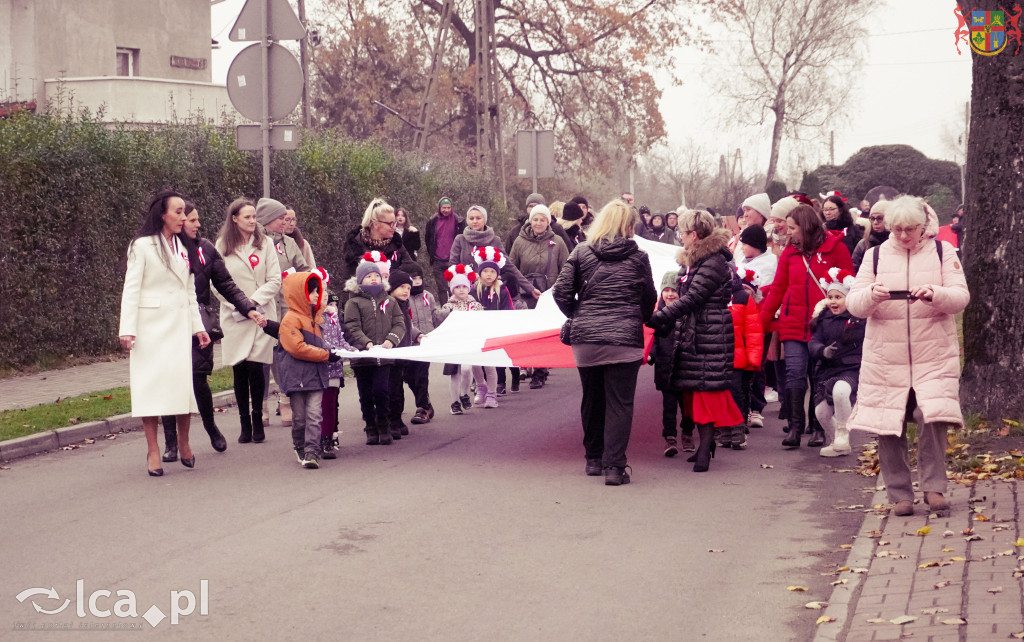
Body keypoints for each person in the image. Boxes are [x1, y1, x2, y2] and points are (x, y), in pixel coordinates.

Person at [846, 196, 969, 517]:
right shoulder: (874, 256)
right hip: (885, 358)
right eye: (897, 229)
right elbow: (854, 304)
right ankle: (899, 494)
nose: (903, 236)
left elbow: (960, 297)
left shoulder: (944, 251)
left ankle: (934, 488)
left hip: (933, 355)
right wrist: (871, 297)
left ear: (923, 225)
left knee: (933, 420)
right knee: (889, 426)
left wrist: (936, 294)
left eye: (910, 229)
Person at [553, 199, 656, 486]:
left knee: (592, 397)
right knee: (620, 403)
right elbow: (648, 297)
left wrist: (580, 315)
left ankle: (593, 459)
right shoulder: (639, 257)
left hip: (587, 341)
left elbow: (560, 292)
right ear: (629, 227)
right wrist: (639, 319)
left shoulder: (581, 251)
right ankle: (615, 467)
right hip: (624, 339)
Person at [118, 190, 211, 477]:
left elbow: (188, 291)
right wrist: (127, 329)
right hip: (149, 329)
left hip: (178, 327)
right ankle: (153, 449)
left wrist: (198, 327)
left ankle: (183, 441)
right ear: (162, 214)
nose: (184, 217)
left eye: (185, 212)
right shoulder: (142, 246)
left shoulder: (184, 247)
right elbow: (131, 288)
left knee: (182, 386)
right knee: (150, 389)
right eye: (179, 212)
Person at [160, 201, 260, 461]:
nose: (197, 224)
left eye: (196, 219)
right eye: (192, 220)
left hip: (199, 323)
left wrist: (248, 307)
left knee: (198, 378)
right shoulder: (164, 249)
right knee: (170, 381)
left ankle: (210, 427)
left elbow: (226, 283)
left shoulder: (206, 249)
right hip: (169, 323)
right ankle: (170, 442)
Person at [647, 209, 743, 474]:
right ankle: (705, 445)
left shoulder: (710, 261)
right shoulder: (699, 260)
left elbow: (691, 298)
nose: (680, 237)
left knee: (705, 392)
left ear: (695, 235)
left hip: (708, 330)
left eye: (683, 233)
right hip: (699, 329)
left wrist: (659, 318)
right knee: (696, 390)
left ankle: (705, 447)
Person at [215, 198, 281, 445]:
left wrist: (252, 303)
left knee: (257, 368)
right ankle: (244, 423)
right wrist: (240, 305)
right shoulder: (222, 245)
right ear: (234, 218)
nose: (253, 221)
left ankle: (257, 420)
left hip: (261, 313)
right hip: (234, 316)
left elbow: (274, 279)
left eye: (254, 217)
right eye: (247, 217)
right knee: (240, 369)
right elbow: (217, 282)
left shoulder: (266, 244)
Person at [276, 272, 341, 469]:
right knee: (300, 417)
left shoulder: (317, 318)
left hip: (316, 375)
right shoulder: (290, 319)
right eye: (312, 291)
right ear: (300, 293)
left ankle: (312, 450)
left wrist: (333, 351)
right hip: (297, 377)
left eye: (317, 291)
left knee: (315, 414)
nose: (316, 295)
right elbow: (297, 348)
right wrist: (325, 355)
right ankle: (299, 445)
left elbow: (323, 343)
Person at [257, 197, 310, 428]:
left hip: (287, 306)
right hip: (263, 305)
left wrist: (296, 281)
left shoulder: (289, 243)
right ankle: (260, 405)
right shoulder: (254, 242)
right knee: (262, 356)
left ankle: (284, 399)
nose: (286, 221)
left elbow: (305, 269)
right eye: (281, 217)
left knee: (284, 353)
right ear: (268, 220)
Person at [343, 253, 406, 445]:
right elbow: (352, 326)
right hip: (363, 359)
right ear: (360, 279)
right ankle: (370, 426)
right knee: (366, 394)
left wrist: (391, 340)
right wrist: (366, 343)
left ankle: (384, 424)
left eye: (376, 275)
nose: (373, 278)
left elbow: (399, 324)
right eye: (369, 276)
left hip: (383, 358)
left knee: (382, 391)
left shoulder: (390, 301)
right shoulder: (353, 302)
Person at [509, 203, 569, 389]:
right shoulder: (519, 241)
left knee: (542, 333)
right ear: (530, 220)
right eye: (535, 219)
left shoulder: (557, 241)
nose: (538, 222)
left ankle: (540, 372)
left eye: (543, 219)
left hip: (548, 295)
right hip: (525, 294)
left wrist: (558, 290)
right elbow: (511, 267)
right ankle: (527, 365)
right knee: (528, 332)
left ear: (548, 221)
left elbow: (567, 268)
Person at [809, 268, 864, 458]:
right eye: (830, 296)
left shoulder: (859, 320)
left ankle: (842, 433)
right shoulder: (823, 319)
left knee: (841, 392)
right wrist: (822, 351)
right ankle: (836, 443)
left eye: (838, 297)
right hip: (827, 369)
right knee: (821, 412)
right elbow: (814, 341)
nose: (833, 301)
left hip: (850, 368)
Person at [644, 271, 694, 456]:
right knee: (669, 406)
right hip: (666, 368)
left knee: (687, 406)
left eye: (674, 290)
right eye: (666, 290)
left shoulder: (688, 315)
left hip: (686, 367)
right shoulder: (658, 316)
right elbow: (654, 340)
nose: (670, 294)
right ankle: (670, 437)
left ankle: (687, 433)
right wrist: (651, 355)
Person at [449, 204, 537, 301]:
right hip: (467, 292)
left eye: (478, 218)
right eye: (471, 218)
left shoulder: (495, 240)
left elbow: (509, 266)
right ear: (467, 220)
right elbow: (453, 266)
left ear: (484, 219)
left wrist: (530, 288)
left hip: (491, 292)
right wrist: (472, 276)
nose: (474, 221)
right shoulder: (460, 239)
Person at [471, 247, 515, 408]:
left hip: (493, 331)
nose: (489, 274)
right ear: (480, 273)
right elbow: (469, 307)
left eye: (492, 271)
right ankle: (480, 386)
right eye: (485, 271)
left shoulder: (502, 290)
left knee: (490, 363)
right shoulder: (474, 289)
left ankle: (492, 394)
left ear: (497, 273)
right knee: (475, 363)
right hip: (476, 331)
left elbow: (508, 309)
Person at [724, 273, 763, 449]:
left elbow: (753, 330)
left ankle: (738, 429)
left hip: (737, 357)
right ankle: (723, 430)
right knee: (718, 393)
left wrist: (753, 359)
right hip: (714, 354)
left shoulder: (742, 297)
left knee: (736, 393)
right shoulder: (710, 294)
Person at [342, 197, 418, 289]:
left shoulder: (397, 244)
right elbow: (348, 282)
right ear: (376, 224)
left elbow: (412, 270)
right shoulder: (354, 247)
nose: (394, 227)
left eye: (395, 223)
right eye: (390, 223)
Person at [439, 265, 483, 415]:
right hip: (453, 343)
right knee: (455, 374)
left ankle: (464, 393)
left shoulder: (476, 306)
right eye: (457, 286)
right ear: (452, 289)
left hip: (469, 342)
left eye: (464, 286)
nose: (461, 289)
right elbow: (442, 324)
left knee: (466, 368)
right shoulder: (447, 307)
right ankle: (455, 402)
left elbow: (482, 323)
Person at [385, 269, 423, 439]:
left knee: (399, 389)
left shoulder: (404, 305)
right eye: (401, 287)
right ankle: (391, 420)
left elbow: (408, 326)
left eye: (408, 287)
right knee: (392, 389)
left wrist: (417, 335)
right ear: (391, 288)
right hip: (391, 354)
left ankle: (397, 418)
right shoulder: (388, 305)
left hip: (403, 353)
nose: (406, 290)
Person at [318, 293, 354, 460]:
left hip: (334, 367)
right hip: (317, 367)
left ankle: (328, 439)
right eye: (319, 292)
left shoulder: (333, 315)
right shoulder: (310, 315)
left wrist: (353, 350)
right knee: (317, 407)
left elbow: (340, 340)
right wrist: (329, 350)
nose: (323, 296)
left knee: (330, 404)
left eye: (325, 291)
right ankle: (315, 439)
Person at [404, 262, 441, 423]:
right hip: (408, 344)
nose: (417, 281)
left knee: (421, 375)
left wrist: (451, 313)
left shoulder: (428, 296)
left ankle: (422, 408)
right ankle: (426, 402)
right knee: (409, 377)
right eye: (413, 278)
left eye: (419, 278)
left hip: (425, 343)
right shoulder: (402, 298)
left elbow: (435, 316)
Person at [424, 197, 466, 304]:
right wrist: (432, 255)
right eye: (444, 208)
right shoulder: (433, 221)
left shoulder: (459, 221)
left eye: (448, 207)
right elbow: (428, 239)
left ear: (451, 208)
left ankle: (457, 309)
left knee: (455, 287)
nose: (446, 210)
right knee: (442, 289)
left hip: (453, 260)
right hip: (438, 260)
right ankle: (445, 310)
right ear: (439, 208)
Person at [851, 200, 891, 273]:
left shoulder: (900, 242)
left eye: (880, 218)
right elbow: (854, 270)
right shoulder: (863, 244)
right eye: (872, 218)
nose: (875, 222)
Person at [821, 193, 860, 257]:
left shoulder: (852, 229)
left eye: (832, 209)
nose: (827, 213)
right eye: (825, 210)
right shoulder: (821, 229)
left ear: (840, 210)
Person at [283, 205, 316, 269]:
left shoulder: (303, 243)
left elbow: (311, 268)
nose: (292, 223)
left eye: (293, 219)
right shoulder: (272, 242)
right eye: (287, 220)